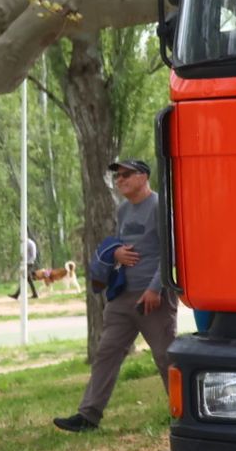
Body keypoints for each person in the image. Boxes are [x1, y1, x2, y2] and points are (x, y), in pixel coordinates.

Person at [53, 159, 178, 431]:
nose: (120, 180)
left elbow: (173, 251)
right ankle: (88, 416)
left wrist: (156, 288)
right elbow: (122, 245)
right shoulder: (123, 211)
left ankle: (186, 415)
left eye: (126, 175)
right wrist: (116, 254)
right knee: (106, 353)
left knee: (166, 356)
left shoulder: (159, 207)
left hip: (153, 298)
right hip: (123, 297)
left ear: (144, 176)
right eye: (118, 177)